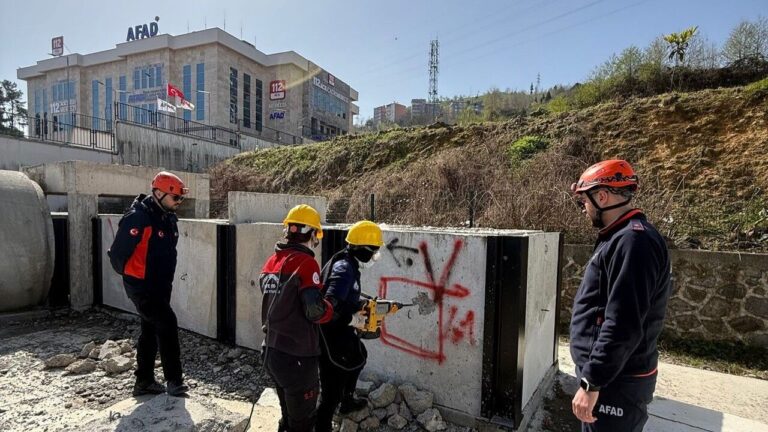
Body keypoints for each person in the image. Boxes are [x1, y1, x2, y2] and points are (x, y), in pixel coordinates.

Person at [569, 160, 672, 431]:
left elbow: (623, 323)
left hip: (616, 383)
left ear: (602, 196)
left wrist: (592, 381)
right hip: (611, 379)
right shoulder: (620, 237)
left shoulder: (633, 242)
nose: (584, 209)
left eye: (585, 201)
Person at [107, 171, 190, 397]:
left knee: (150, 330)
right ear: (158, 193)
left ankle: (143, 381)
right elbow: (117, 255)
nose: (179, 203)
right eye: (176, 198)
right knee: (167, 323)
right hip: (142, 286)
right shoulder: (138, 218)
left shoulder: (167, 216)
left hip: (161, 286)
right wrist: (134, 279)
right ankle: (174, 381)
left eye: (181, 199)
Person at [259, 204, 334, 432]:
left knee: (288, 413)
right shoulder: (306, 263)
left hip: (271, 351)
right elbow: (315, 311)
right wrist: (330, 309)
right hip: (297, 357)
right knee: (303, 421)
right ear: (312, 234)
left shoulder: (272, 261)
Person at [316, 220, 384, 431]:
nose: (374, 257)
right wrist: (353, 319)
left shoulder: (349, 264)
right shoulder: (344, 269)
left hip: (339, 330)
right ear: (363, 250)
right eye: (373, 252)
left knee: (359, 355)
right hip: (330, 334)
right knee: (331, 389)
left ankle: (347, 400)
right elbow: (329, 307)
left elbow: (344, 299)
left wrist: (359, 305)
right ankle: (322, 425)